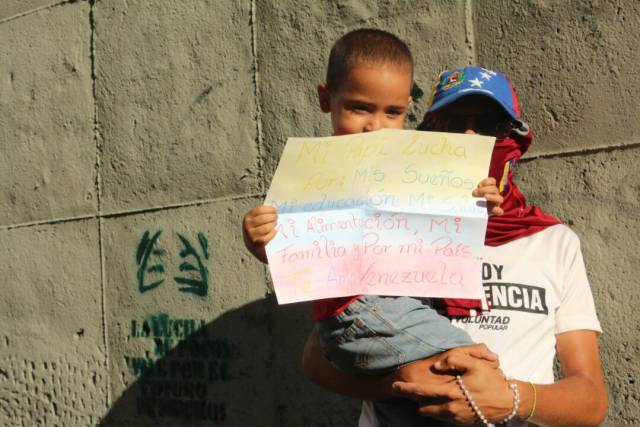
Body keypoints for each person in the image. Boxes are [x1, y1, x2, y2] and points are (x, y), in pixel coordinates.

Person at [303, 66, 608, 426]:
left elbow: (590, 400)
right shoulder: (397, 226)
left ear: (513, 137)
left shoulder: (554, 242)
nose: (469, 135)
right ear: (429, 135)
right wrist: (403, 383)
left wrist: (509, 398)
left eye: (488, 124)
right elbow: (318, 358)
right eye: (454, 124)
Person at [243, 31, 505, 425]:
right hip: (358, 311)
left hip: (396, 312)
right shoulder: (314, 172)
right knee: (472, 366)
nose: (375, 126)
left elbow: (447, 223)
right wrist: (258, 237)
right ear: (325, 99)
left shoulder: (413, 163)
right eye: (360, 108)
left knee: (414, 408)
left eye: (393, 113)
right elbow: (287, 247)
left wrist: (481, 200)